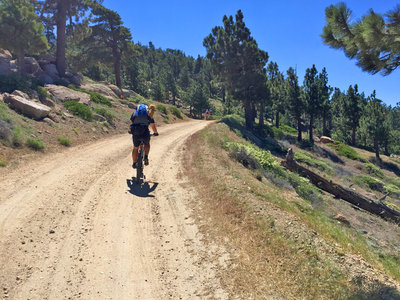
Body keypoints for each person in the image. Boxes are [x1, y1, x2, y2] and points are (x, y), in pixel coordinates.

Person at [128, 104, 158, 169]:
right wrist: (155, 133)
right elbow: (153, 126)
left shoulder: (134, 114)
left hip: (136, 133)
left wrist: (129, 131)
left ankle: (134, 163)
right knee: (147, 144)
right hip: (145, 133)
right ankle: (146, 156)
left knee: (135, 148)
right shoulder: (149, 115)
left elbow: (131, 124)